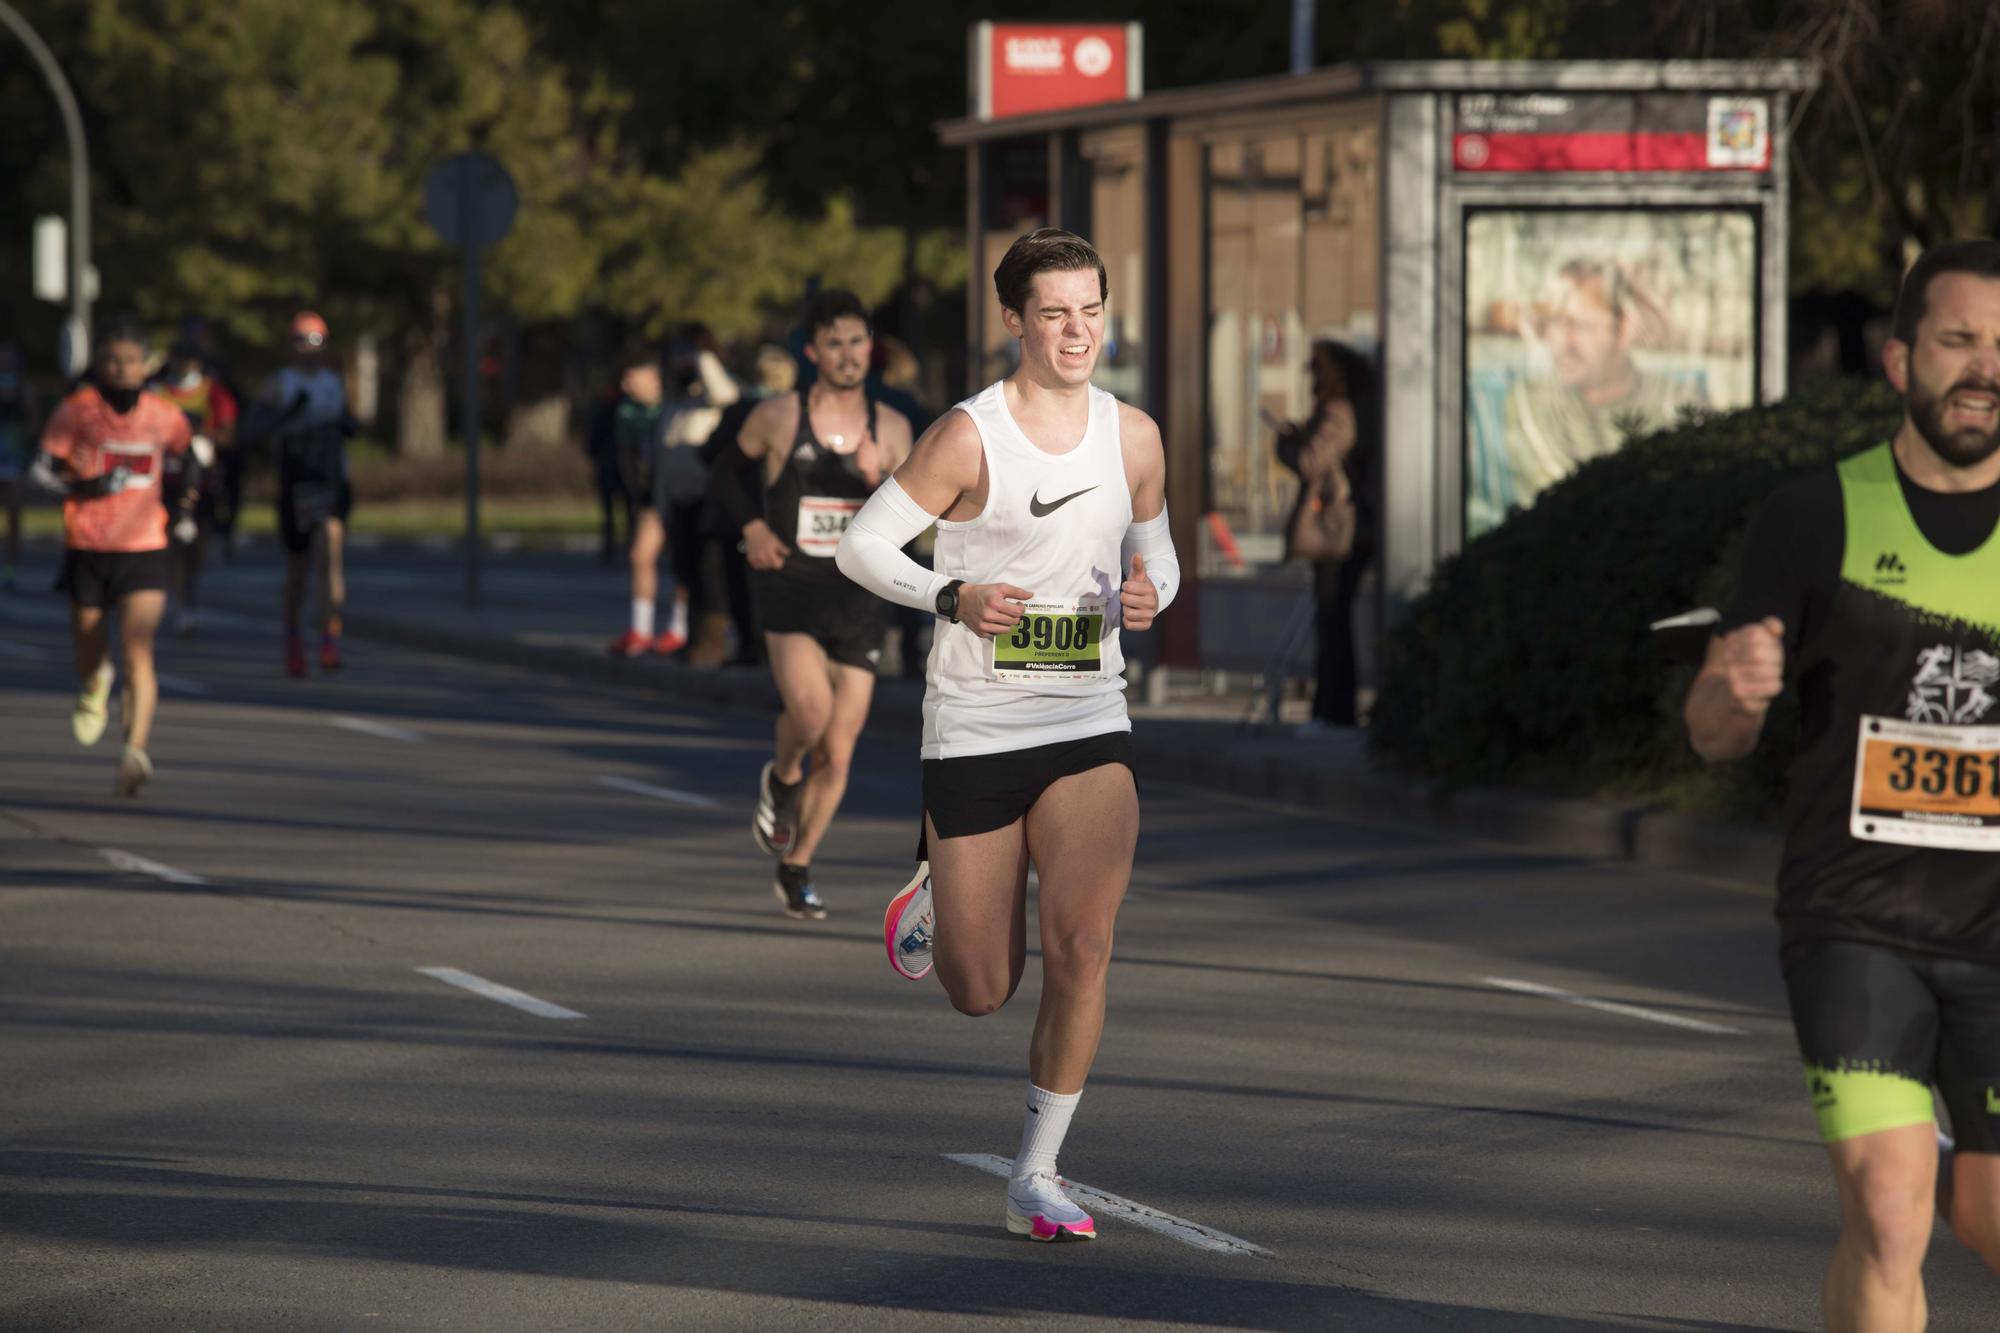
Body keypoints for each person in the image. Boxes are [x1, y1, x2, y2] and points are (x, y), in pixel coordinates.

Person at [835, 228, 1180, 1242]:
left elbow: (1156, 558)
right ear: (1013, 322)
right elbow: (862, 544)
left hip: (1087, 717)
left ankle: (1037, 1170)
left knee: (1084, 943)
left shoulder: (1134, 436)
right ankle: (937, 872)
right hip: (976, 725)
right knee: (981, 989)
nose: (1076, 331)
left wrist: (1150, 592)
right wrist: (953, 593)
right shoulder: (968, 435)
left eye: (1089, 310)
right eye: (1053, 313)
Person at [1684, 239, 2000, 1332]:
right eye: (1958, 341)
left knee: (1984, 1217)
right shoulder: (1814, 515)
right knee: (1887, 1206)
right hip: (1851, 913)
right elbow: (1713, 734)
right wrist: (1733, 690)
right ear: (1897, 357)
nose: (1983, 368)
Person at [721, 290, 914, 919]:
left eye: (858, 341)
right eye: (835, 343)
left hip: (860, 599)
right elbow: (725, 472)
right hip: (793, 588)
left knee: (838, 749)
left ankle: (797, 863)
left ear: (871, 348)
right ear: (813, 352)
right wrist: (751, 526)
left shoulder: (892, 430)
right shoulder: (779, 416)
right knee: (809, 714)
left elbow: (917, 519)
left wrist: (875, 482)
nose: (849, 354)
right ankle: (781, 777)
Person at [31, 318, 196, 795]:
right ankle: (94, 682)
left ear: (146, 365)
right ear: (99, 364)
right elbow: (43, 472)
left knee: (139, 653)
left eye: (130, 362)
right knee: (91, 651)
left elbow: (190, 460)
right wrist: (83, 487)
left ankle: (135, 750)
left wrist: (184, 507)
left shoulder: (165, 416)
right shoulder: (78, 411)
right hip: (87, 544)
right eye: (112, 361)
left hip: (144, 546)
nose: (122, 370)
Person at [1503, 258, 1705, 507]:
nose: (1562, 343)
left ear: (1625, 329)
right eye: (1555, 322)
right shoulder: (1530, 404)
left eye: (1580, 325)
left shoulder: (1678, 403)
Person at [243, 311, 354, 677]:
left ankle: (329, 637)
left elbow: (351, 425)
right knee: (298, 569)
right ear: (291, 345)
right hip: (295, 483)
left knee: (331, 553)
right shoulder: (281, 384)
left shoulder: (334, 383)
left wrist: (346, 424)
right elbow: (252, 429)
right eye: (301, 340)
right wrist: (287, 415)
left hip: (330, 479)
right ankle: (292, 637)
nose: (309, 348)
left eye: (317, 340)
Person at [1277, 340, 1377, 728]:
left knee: (1333, 620)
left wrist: (1286, 446)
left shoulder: (1339, 411)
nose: (1311, 377)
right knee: (1332, 620)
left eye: (1316, 369)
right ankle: (1332, 710)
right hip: (1346, 527)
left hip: (1339, 529)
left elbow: (1311, 461)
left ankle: (1335, 712)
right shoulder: (1353, 408)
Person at [701, 344, 799, 668]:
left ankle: (749, 645)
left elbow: (712, 455)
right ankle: (776, 649)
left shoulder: (742, 410)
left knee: (740, 581)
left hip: (741, 511)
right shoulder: (797, 412)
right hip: (784, 511)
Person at [660, 327, 740, 666]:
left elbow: (726, 394)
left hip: (706, 498)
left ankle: (712, 642)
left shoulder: (713, 397)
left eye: (685, 354)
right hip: (678, 500)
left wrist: (702, 355)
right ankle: (693, 638)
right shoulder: (678, 402)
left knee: (711, 576)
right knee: (687, 573)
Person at [603, 342, 686, 657]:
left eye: (632, 377)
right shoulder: (627, 412)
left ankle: (680, 629)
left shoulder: (674, 403)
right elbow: (627, 457)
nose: (627, 385)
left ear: (652, 376)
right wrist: (633, 492)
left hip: (679, 491)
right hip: (651, 496)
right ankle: (641, 628)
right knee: (641, 555)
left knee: (683, 562)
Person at [150, 340, 238, 636]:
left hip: (202, 480)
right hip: (167, 481)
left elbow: (228, 431)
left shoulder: (212, 391)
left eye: (192, 361)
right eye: (182, 360)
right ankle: (180, 605)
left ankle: (189, 592)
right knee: (173, 543)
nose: (187, 367)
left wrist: (201, 434)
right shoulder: (158, 391)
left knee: (197, 546)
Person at [0, 342, 41, 591]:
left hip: (12, 459)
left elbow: (33, 424)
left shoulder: (24, 390)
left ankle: (11, 567)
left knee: (13, 514)